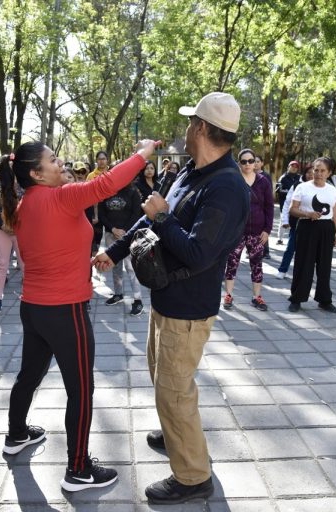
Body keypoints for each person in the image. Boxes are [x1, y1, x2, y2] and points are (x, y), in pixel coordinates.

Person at [96, 92, 249, 504]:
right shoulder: (191, 172)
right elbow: (149, 217)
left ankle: (193, 474)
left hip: (189, 306)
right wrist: (115, 251)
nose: (185, 128)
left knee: (174, 389)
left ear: (200, 128)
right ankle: (175, 432)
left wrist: (163, 216)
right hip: (165, 297)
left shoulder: (227, 187)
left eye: (189, 122)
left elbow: (198, 250)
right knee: (163, 378)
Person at [0, 138, 159, 493]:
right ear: (35, 173)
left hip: (34, 308)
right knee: (81, 389)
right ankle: (78, 469)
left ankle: (16, 435)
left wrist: (82, 262)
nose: (61, 164)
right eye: (53, 160)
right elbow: (107, 183)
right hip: (65, 310)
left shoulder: (23, 205)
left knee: (29, 375)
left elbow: (48, 249)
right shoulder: (61, 196)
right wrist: (144, 152)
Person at [288, 157, 336, 313]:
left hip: (326, 228)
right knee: (303, 263)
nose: (318, 173)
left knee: (324, 265)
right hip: (306, 227)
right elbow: (292, 209)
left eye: (322, 170)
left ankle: (324, 300)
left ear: (329, 173)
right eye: (316, 169)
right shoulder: (302, 187)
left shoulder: (332, 190)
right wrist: (307, 214)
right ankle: (297, 298)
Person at [223, 148, 274, 311]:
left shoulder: (263, 181)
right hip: (237, 232)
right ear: (239, 163)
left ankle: (257, 296)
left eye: (251, 161)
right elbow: (227, 207)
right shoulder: (234, 181)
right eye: (244, 161)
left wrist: (267, 229)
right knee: (231, 263)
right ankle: (228, 295)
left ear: (255, 162)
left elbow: (269, 207)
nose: (247, 164)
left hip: (257, 232)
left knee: (257, 264)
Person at [98, 177, 144, 316]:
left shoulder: (133, 192)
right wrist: (113, 229)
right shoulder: (105, 192)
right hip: (111, 234)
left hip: (129, 235)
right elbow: (101, 214)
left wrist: (125, 231)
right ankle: (118, 294)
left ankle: (138, 300)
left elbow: (137, 214)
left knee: (131, 267)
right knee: (114, 266)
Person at [0, 164, 24, 314]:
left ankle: (29, 297)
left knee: (24, 264)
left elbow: (30, 207)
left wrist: (18, 225)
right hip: (2, 229)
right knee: (2, 264)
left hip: (21, 230)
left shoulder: (24, 184)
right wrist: (2, 225)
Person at [276, 165, 314, 279]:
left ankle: (306, 274)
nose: (311, 175)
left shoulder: (320, 187)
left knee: (309, 251)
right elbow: (288, 203)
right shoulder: (297, 185)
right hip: (297, 223)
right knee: (291, 248)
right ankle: (282, 270)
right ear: (304, 173)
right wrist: (285, 220)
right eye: (309, 173)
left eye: (313, 172)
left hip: (313, 223)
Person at [275, 161, 300, 244]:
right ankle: (280, 238)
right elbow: (278, 190)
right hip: (285, 203)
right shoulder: (283, 178)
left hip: (297, 205)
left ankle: (294, 239)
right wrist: (290, 192)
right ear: (288, 167)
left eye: (296, 167)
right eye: (292, 166)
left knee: (296, 221)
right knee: (283, 220)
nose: (294, 168)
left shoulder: (299, 178)